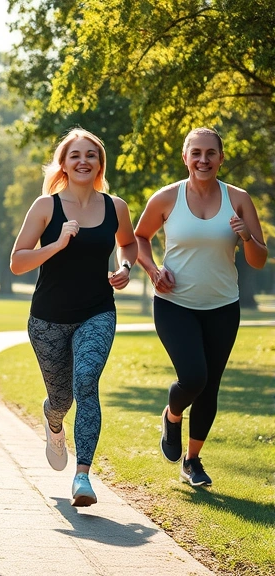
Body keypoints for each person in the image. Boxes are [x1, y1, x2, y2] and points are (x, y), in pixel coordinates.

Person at [10, 129, 137, 506]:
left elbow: (128, 243)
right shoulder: (45, 207)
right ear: (63, 164)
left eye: (91, 155)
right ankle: (53, 420)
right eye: (75, 155)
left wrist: (125, 267)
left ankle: (82, 476)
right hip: (48, 318)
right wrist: (58, 243)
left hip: (97, 312)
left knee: (86, 381)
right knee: (62, 399)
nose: (83, 161)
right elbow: (17, 262)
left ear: (100, 164)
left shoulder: (116, 207)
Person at [134, 127, 267, 487]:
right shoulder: (166, 198)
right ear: (185, 157)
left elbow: (258, 259)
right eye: (196, 153)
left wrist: (246, 235)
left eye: (210, 153)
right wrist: (153, 270)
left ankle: (192, 461)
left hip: (223, 306)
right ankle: (172, 414)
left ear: (221, 158)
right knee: (194, 377)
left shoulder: (239, 199)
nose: (203, 160)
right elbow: (139, 237)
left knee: (210, 386)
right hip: (174, 304)